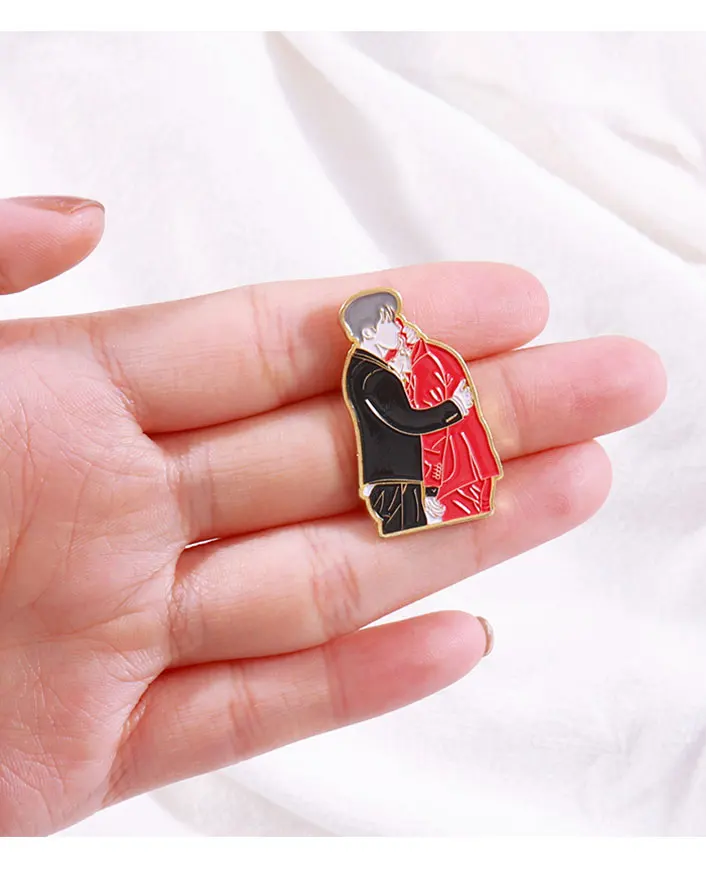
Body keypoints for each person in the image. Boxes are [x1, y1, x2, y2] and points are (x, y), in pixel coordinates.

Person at [0, 195, 666, 835]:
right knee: (403, 505)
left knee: (444, 502)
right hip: (398, 465)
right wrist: (446, 412)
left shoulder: (418, 353)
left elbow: (443, 384)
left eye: (393, 325)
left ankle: (448, 502)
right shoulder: (368, 369)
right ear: (370, 330)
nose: (392, 333)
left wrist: (451, 411)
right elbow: (396, 414)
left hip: (435, 456)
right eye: (382, 328)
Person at [340, 290, 474, 536]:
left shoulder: (363, 369)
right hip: (396, 480)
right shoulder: (376, 377)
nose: (398, 328)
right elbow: (408, 420)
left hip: (391, 477)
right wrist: (455, 406)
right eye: (390, 322)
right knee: (408, 535)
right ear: (368, 333)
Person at [390, 319, 502, 525]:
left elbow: (434, 430)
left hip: (455, 476)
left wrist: (431, 488)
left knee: (460, 533)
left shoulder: (423, 367)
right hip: (468, 469)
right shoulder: (433, 356)